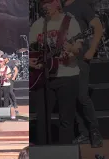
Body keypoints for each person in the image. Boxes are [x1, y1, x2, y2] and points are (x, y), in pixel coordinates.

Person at [29, 0, 82, 144]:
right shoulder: (38, 25)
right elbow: (32, 50)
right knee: (42, 119)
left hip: (67, 76)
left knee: (66, 119)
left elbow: (77, 48)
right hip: (43, 77)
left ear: (57, 3)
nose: (44, 6)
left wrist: (70, 50)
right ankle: (43, 152)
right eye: (42, 4)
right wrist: (30, 61)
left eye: (48, 3)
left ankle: (64, 153)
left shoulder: (70, 23)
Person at [63, 0, 104, 148]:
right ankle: (83, 133)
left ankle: (94, 132)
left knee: (82, 95)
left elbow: (98, 27)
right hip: (65, 60)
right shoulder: (59, 7)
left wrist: (92, 50)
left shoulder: (81, 6)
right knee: (72, 97)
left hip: (80, 57)